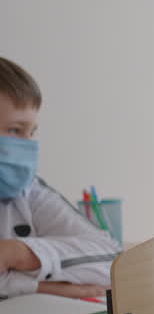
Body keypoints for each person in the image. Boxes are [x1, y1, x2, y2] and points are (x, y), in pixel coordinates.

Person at [0, 57, 118, 299]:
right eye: (15, 130)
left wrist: (21, 253)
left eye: (31, 131)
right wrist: (39, 287)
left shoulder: (28, 191)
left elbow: (111, 259)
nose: (29, 144)